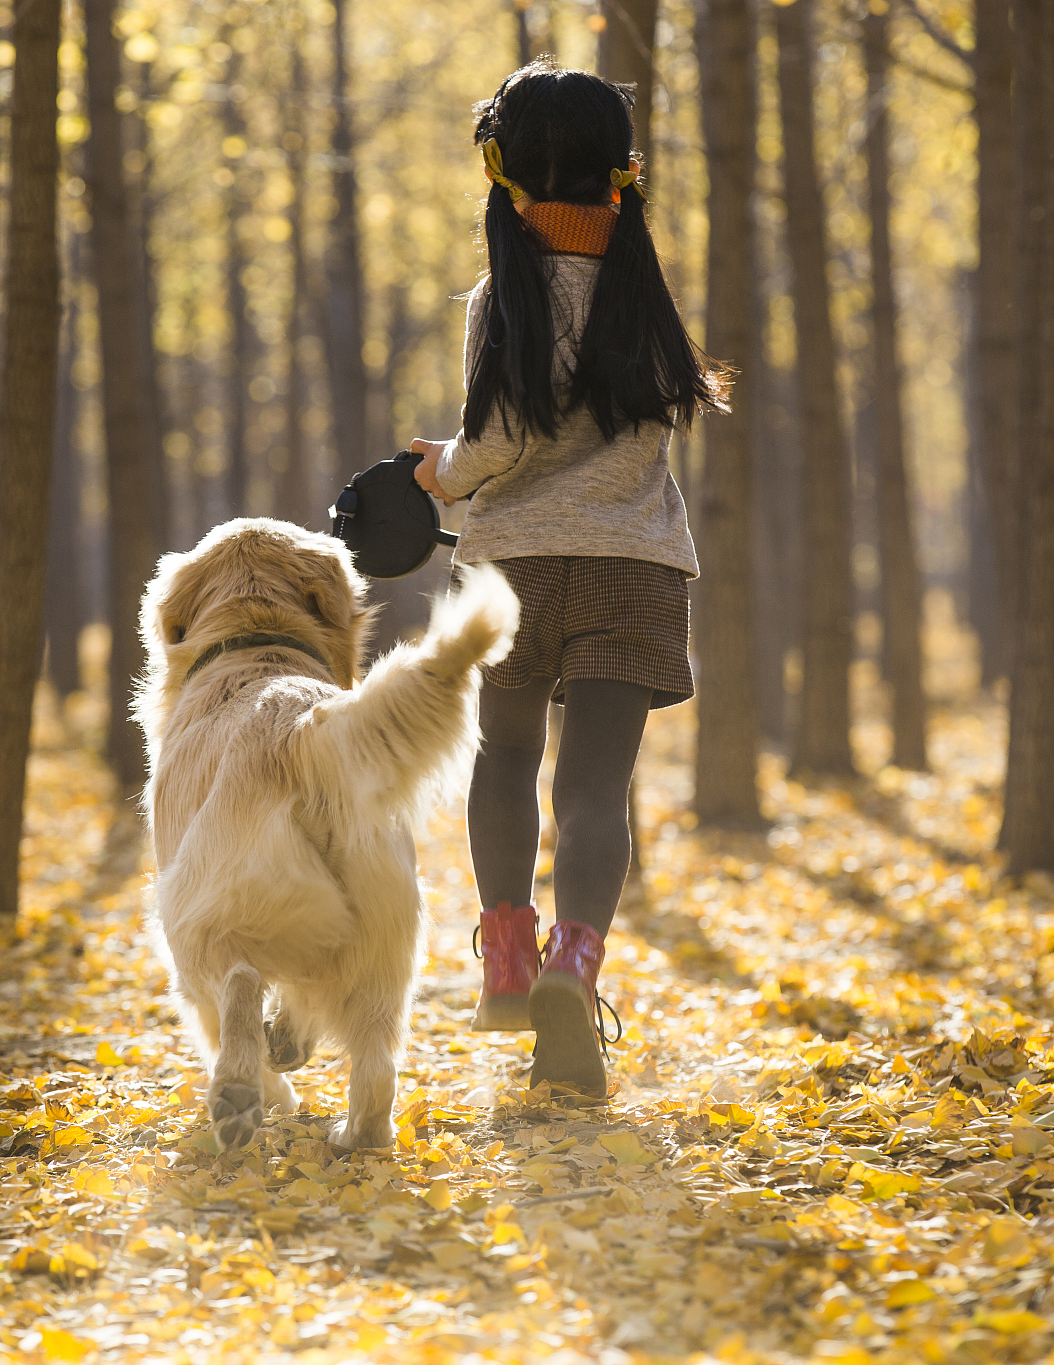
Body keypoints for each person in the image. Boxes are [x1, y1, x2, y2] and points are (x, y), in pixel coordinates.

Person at [410, 60, 726, 1099]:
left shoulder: (502, 295)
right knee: (594, 790)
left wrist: (435, 474)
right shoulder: (643, 291)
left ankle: (507, 950)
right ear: (619, 172)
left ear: (502, 170)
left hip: (511, 570)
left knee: (502, 762)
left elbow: (493, 442)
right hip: (632, 569)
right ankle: (574, 972)